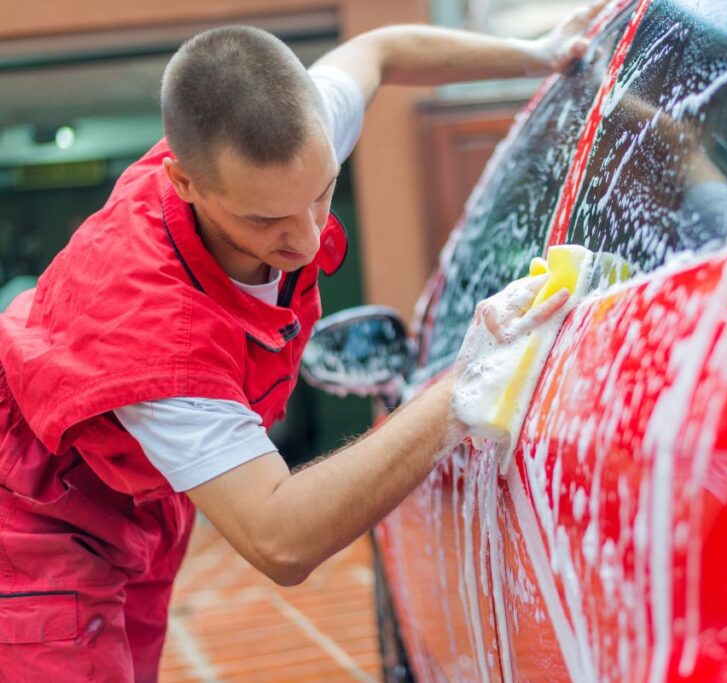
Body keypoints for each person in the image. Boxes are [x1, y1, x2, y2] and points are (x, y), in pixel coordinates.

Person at [0, 6, 599, 680]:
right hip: (29, 523)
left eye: (323, 194)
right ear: (185, 183)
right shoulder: (153, 336)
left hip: (129, 505)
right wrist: (464, 387)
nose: (309, 240)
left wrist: (542, 54)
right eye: (266, 220)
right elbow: (280, 538)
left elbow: (383, 49)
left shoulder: (292, 137)